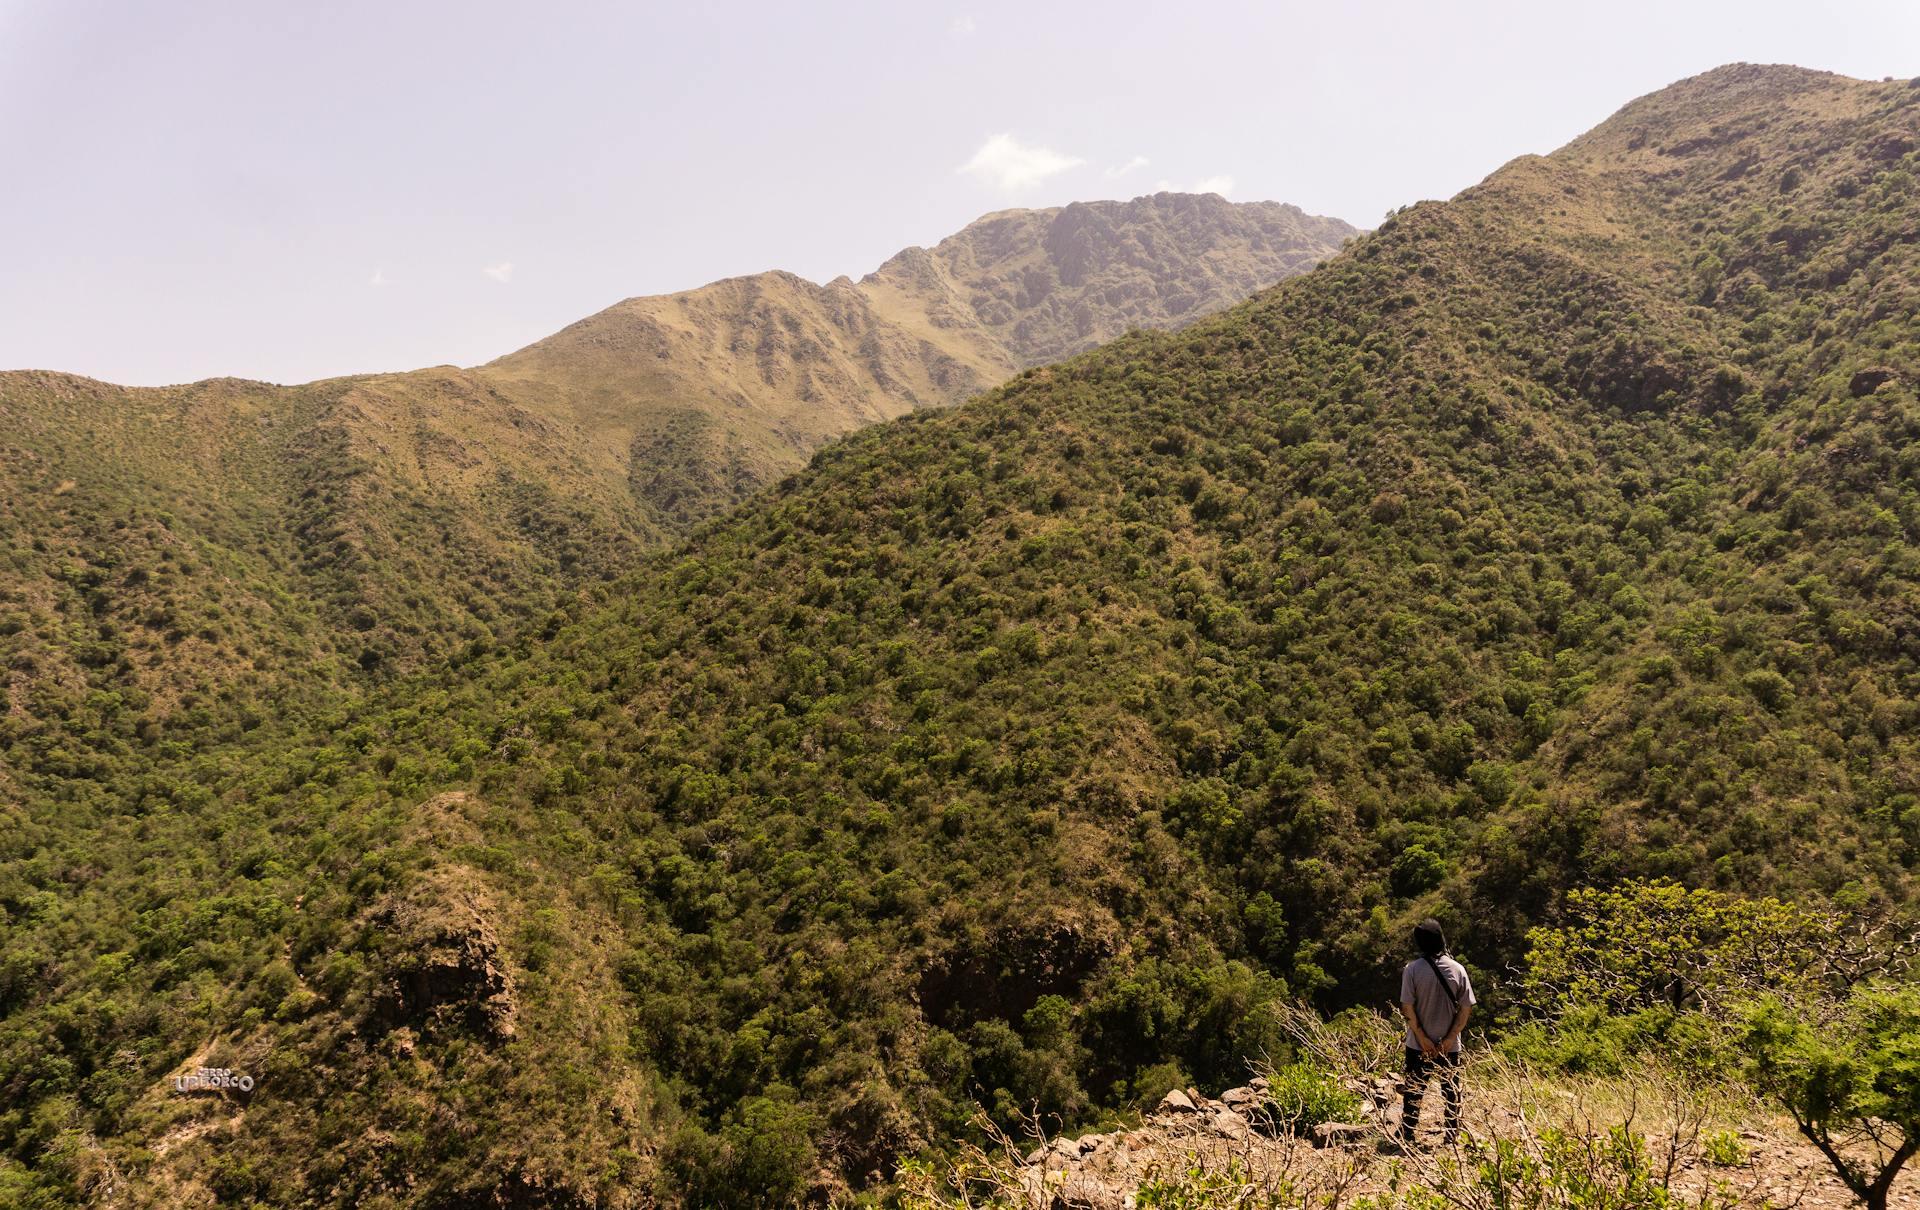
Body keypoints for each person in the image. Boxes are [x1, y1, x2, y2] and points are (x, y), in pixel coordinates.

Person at [1397, 917, 1474, 1145]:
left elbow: (1407, 1007)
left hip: (1418, 1044)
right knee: (1450, 1091)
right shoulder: (1458, 969)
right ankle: (1451, 1135)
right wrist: (1450, 1038)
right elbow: (1466, 1007)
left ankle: (1408, 1132)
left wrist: (1421, 1037)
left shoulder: (1411, 970)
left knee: (1414, 1090)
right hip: (1449, 1046)